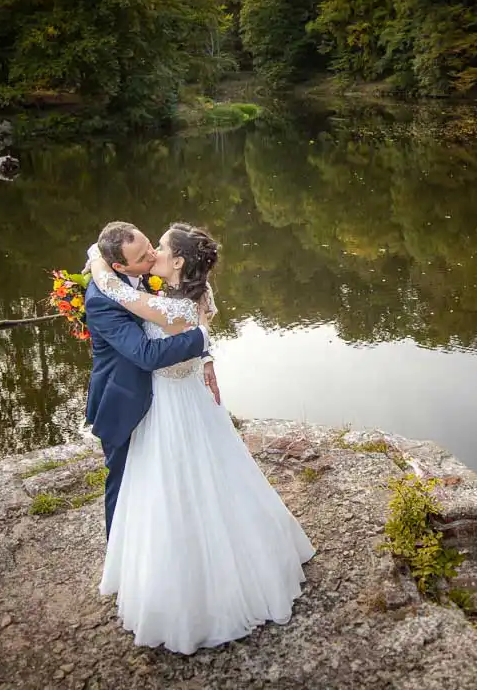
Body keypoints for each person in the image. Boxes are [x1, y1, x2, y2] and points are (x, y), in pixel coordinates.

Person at [85, 222, 315, 655]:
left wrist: (99, 265)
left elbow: (121, 298)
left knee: (179, 486)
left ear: (178, 263)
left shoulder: (170, 305)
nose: (153, 253)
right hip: (178, 399)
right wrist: (205, 350)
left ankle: (195, 590)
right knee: (198, 480)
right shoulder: (187, 297)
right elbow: (149, 315)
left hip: (175, 405)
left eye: (160, 248)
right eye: (146, 250)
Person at [82, 221, 212, 540]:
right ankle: (122, 553)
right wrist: (202, 339)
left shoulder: (140, 278)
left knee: (162, 481)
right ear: (119, 265)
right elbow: (147, 354)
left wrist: (206, 357)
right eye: (143, 255)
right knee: (123, 482)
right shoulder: (103, 298)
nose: (152, 255)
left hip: (162, 398)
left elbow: (176, 317)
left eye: (152, 245)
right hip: (123, 400)